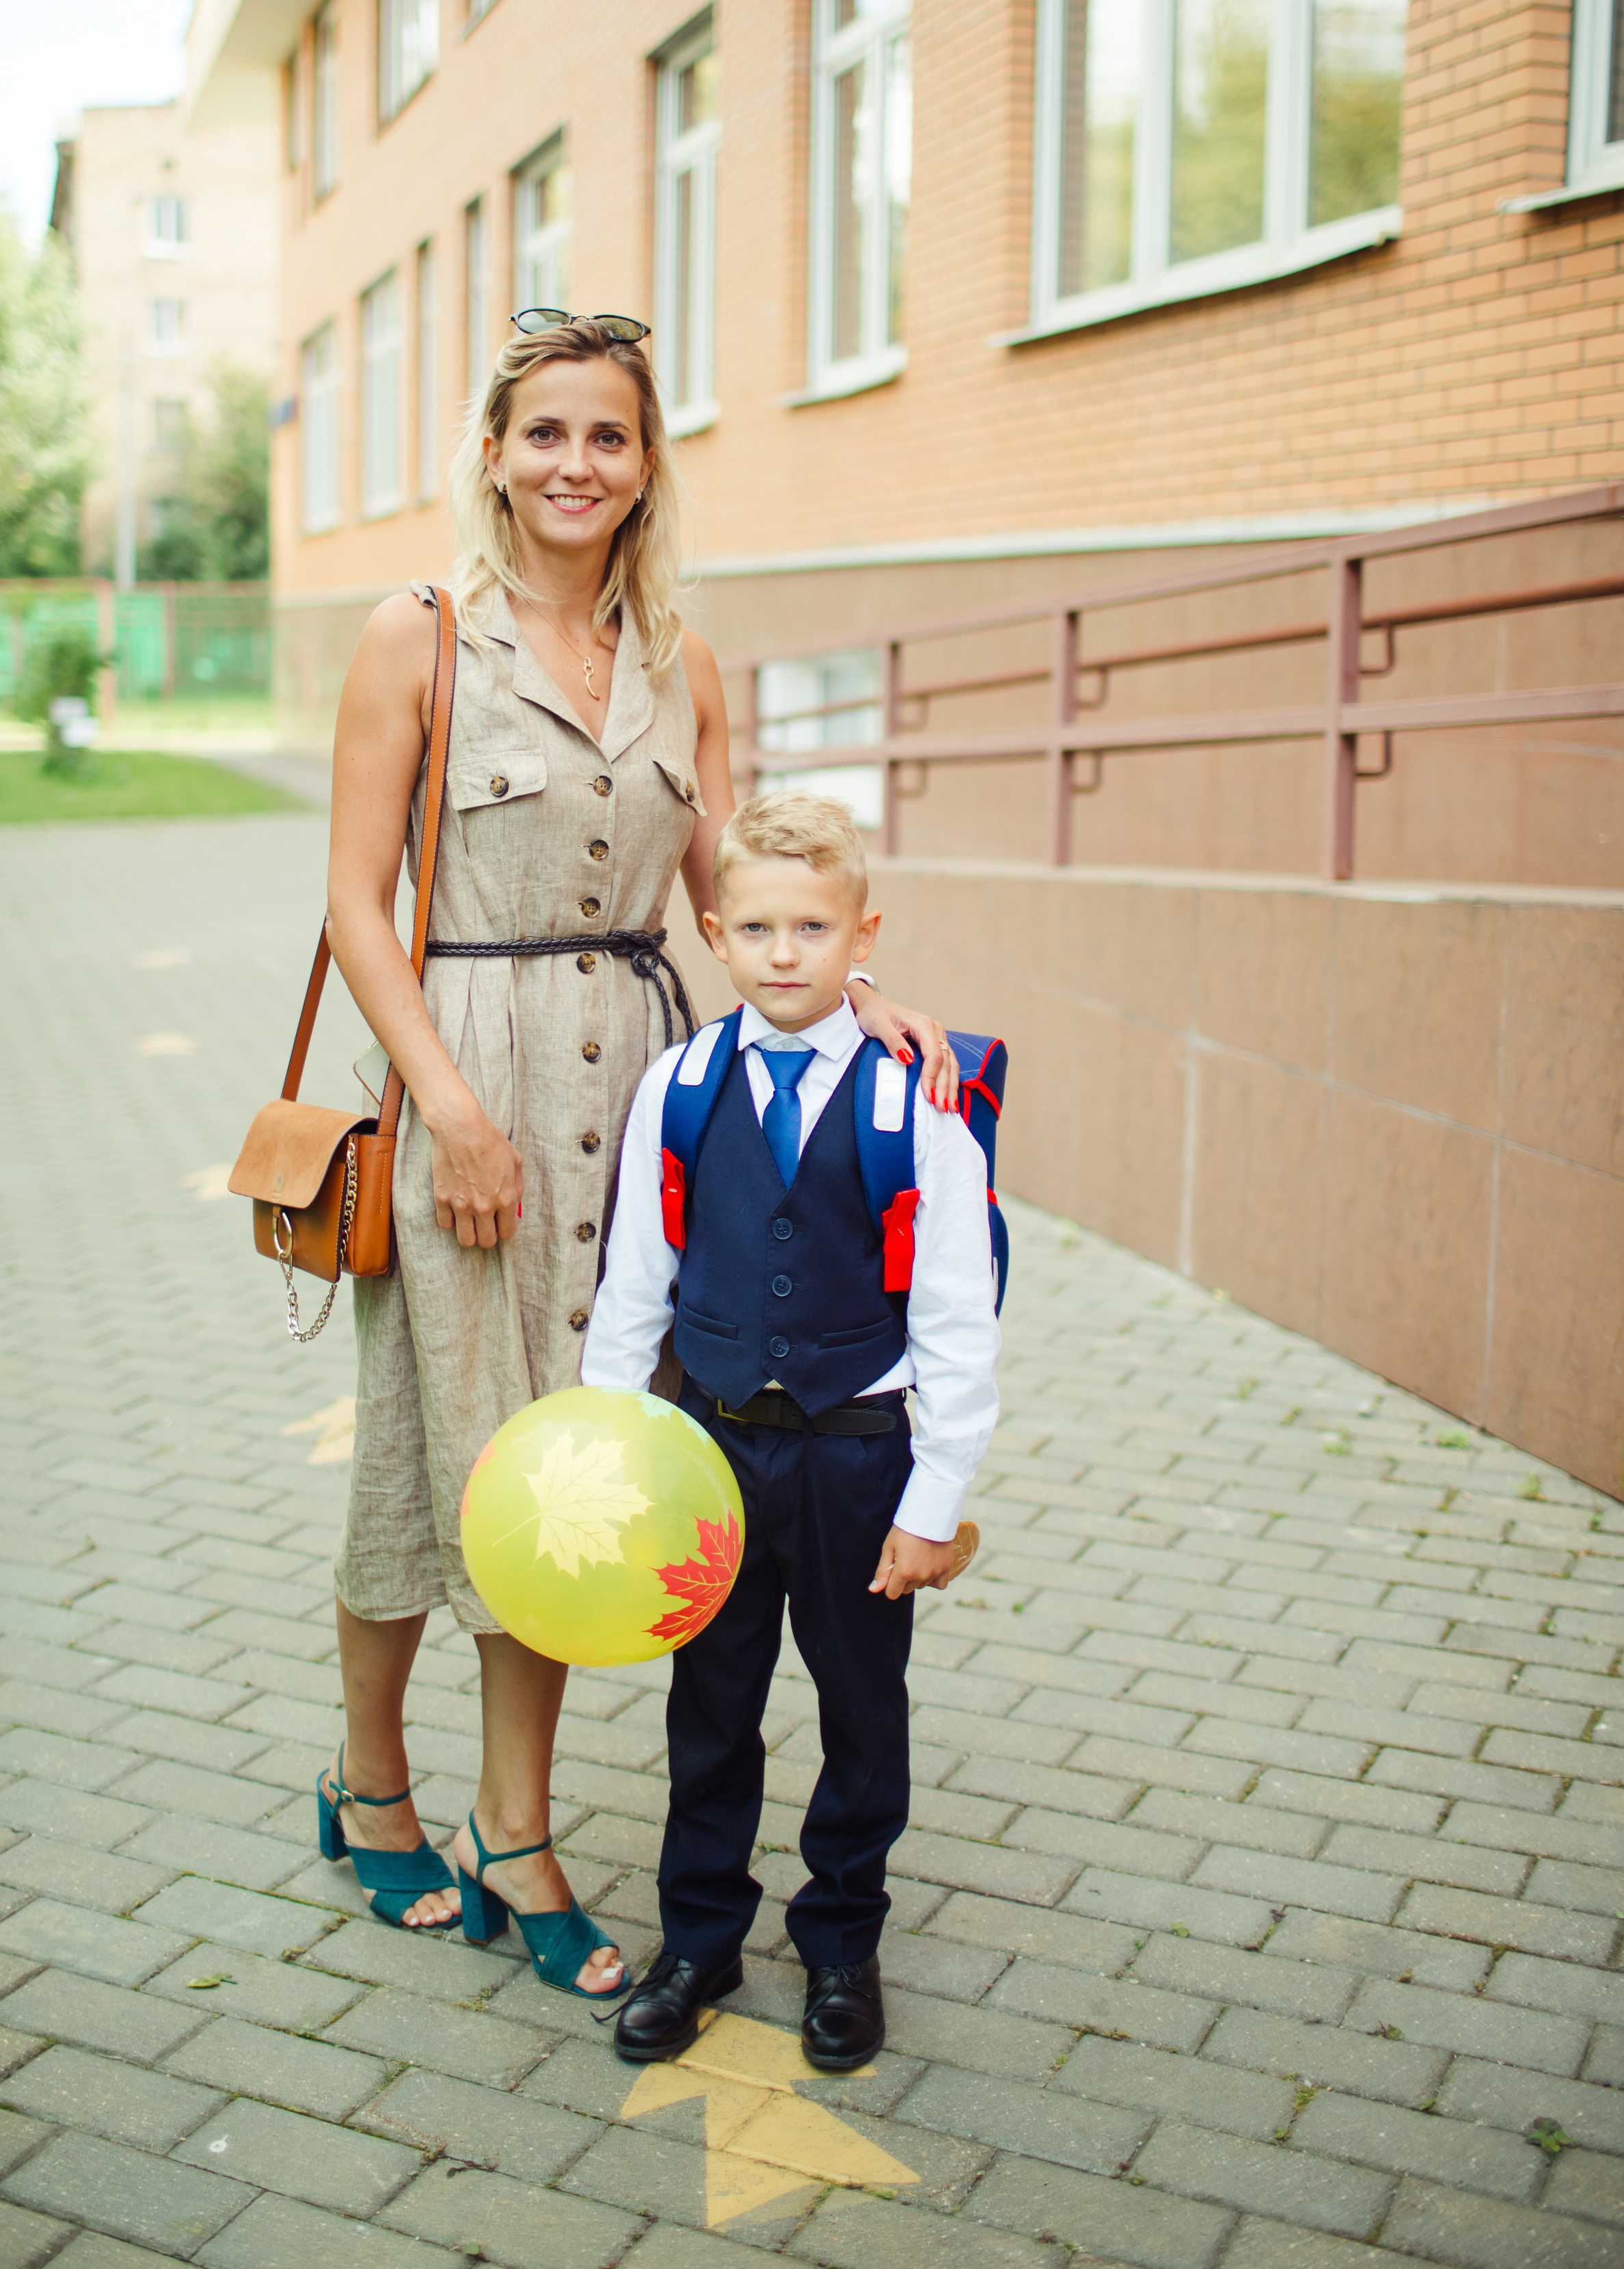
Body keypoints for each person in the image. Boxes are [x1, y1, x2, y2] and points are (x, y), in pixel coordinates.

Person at [316, 312, 959, 1992]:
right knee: (430, 1454)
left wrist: (851, 1001)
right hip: (470, 1079)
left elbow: (723, 879)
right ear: (491, 453)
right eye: (544, 435)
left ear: (647, 462)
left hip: (658, 1095)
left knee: (574, 1460)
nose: (574, 467)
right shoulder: (419, 636)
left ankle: (507, 1820)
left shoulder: (685, 655)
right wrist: (446, 1104)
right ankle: (370, 1785)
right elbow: (352, 904)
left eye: (607, 437)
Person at [581, 790, 1001, 2064]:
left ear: (861, 930)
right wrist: (614, 1453)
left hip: (856, 1456)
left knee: (862, 1710)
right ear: (714, 930)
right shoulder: (682, 1082)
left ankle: (840, 1942)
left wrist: (934, 1504)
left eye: (811, 927)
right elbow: (635, 1282)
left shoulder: (915, 1099)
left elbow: (958, 1321)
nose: (782, 953)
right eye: (756, 926)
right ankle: (699, 1936)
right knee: (710, 1706)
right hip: (708, 1449)